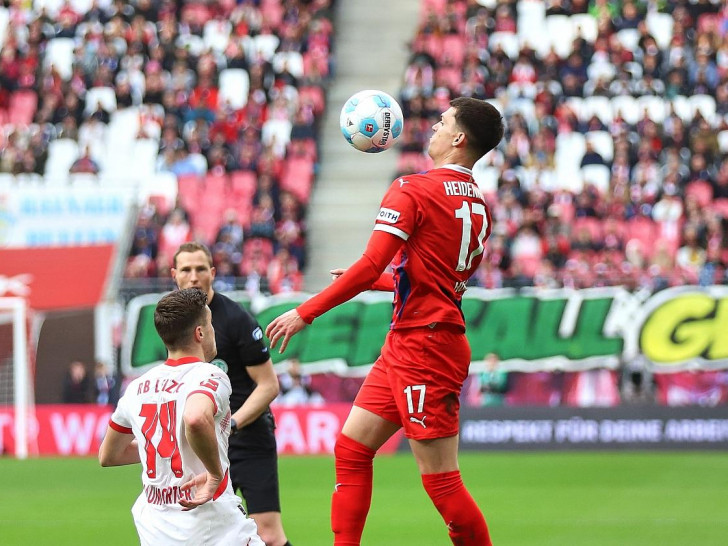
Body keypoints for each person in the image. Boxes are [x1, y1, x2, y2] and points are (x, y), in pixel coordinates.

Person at [266, 97, 504, 546]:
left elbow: (372, 261)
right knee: (352, 448)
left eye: (443, 121)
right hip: (411, 341)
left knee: (442, 482)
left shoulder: (413, 188)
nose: (433, 127)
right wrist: (376, 283)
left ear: (458, 139)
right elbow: (431, 278)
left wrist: (305, 311)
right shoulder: (478, 201)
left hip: (426, 350)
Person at [98, 288, 263, 545]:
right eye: (210, 325)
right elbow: (196, 418)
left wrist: (159, 444)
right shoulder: (208, 375)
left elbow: (108, 455)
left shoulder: (137, 387)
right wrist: (215, 475)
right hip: (211, 527)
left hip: (158, 530)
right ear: (199, 333)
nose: (213, 332)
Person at [171, 241, 292, 546]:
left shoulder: (237, 320)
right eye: (186, 269)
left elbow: (269, 385)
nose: (194, 276)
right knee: (199, 532)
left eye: (200, 268)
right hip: (201, 442)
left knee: (267, 533)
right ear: (174, 275)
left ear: (212, 272)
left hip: (246, 439)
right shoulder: (174, 322)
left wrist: (233, 424)